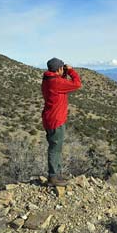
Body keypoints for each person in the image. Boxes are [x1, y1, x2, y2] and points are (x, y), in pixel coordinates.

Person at [42, 57, 82, 186]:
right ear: (58, 69)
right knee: (55, 149)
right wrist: (71, 71)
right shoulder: (55, 82)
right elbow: (77, 84)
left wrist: (63, 73)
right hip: (56, 120)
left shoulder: (48, 79)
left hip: (50, 118)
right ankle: (53, 177)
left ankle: (57, 174)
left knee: (56, 148)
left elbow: (61, 82)